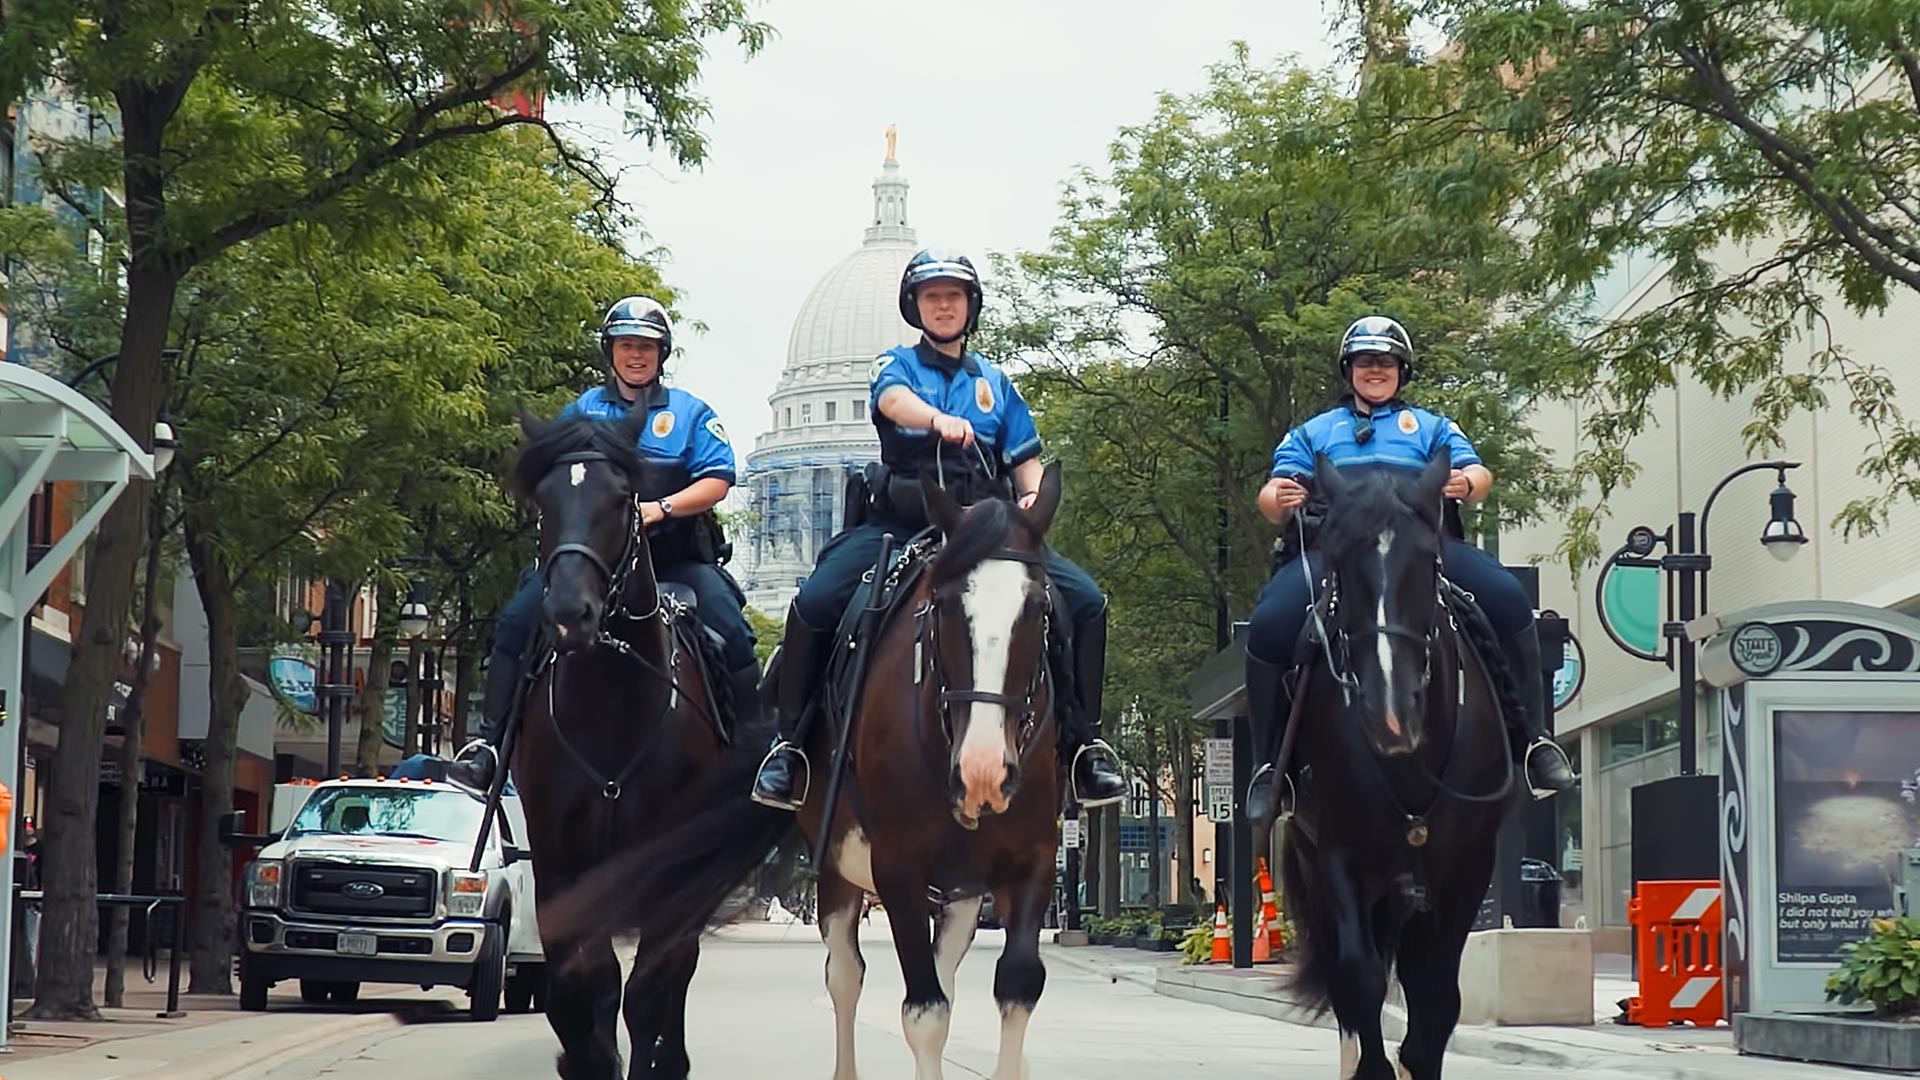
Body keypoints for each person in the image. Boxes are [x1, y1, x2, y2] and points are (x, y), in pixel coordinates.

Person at [749, 249, 1127, 811]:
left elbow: (1026, 459)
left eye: (953, 296)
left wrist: (1030, 495)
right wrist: (937, 419)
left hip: (990, 530)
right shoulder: (896, 366)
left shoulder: (996, 383)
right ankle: (791, 746)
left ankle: (1082, 743)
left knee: (1087, 603)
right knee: (816, 601)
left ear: (969, 308)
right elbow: (893, 403)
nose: (943, 306)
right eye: (932, 297)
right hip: (901, 521)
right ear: (916, 307)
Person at [1241, 315, 1578, 821]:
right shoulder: (1313, 432)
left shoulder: (1431, 427)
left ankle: (1532, 741)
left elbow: (1478, 473)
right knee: (1268, 626)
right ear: (1348, 369)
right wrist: (1277, 498)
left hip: (1420, 551)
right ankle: (1272, 767)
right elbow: (1273, 496)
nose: (1375, 370)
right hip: (1334, 554)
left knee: (1508, 600)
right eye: (1364, 362)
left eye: (1385, 362)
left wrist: (1468, 484)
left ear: (1402, 370)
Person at [444, 296, 758, 793]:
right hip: (596, 563)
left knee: (730, 625)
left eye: (647, 347)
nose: (636, 356)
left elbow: (719, 478)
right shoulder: (582, 410)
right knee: (519, 618)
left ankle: (751, 752)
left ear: (662, 353)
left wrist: (661, 508)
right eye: (627, 346)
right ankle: (489, 744)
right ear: (610, 351)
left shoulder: (690, 412)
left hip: (673, 558)